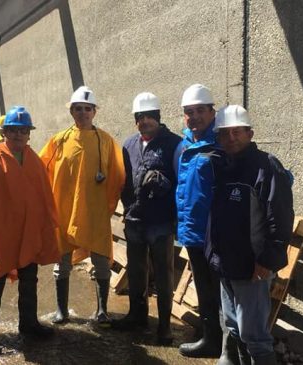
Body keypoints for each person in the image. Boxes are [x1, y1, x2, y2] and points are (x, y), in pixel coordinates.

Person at [0, 106, 61, 355]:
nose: (18, 135)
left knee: (29, 280)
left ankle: (28, 325)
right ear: (4, 132)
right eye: (13, 131)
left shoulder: (33, 160)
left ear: (29, 134)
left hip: (26, 234)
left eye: (23, 131)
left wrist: (44, 225)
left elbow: (43, 195)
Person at [208, 105, 294, 365]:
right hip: (226, 264)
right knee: (233, 325)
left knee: (254, 335)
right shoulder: (223, 166)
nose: (231, 137)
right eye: (225, 133)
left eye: (237, 132)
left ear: (250, 133)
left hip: (252, 267)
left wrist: (267, 260)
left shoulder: (266, 167)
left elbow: (279, 218)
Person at [39, 86, 125, 327]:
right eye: (78, 109)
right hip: (64, 212)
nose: (83, 113)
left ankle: (102, 311)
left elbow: (117, 176)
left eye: (88, 109)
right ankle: (61, 310)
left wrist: (107, 207)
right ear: (72, 112)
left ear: (94, 112)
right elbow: (40, 169)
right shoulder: (59, 140)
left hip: (95, 213)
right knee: (62, 263)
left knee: (101, 263)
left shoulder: (106, 141)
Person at [113, 92, 181, 345]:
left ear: (159, 118)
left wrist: (164, 183)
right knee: (137, 271)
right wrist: (126, 208)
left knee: (163, 274)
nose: (145, 121)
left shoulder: (175, 144)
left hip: (161, 223)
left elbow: (183, 183)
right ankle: (137, 316)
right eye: (140, 117)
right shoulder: (129, 145)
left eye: (150, 116)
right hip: (135, 220)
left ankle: (164, 326)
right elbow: (125, 181)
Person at [175, 84, 227, 359]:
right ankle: (211, 339)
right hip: (193, 232)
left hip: (215, 235)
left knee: (222, 293)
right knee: (205, 290)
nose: (193, 117)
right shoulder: (187, 144)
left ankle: (227, 347)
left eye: (199, 111)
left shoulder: (223, 143)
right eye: (188, 112)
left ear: (211, 111)